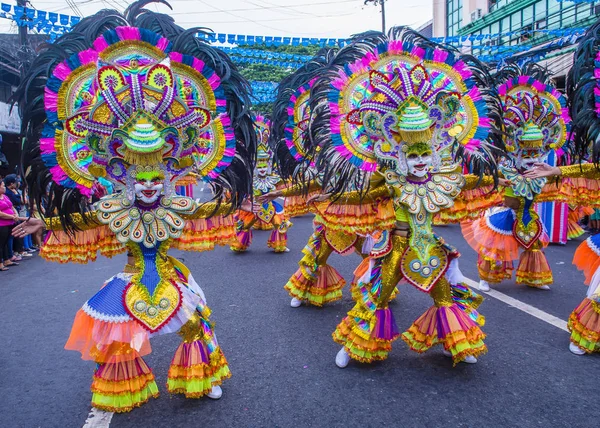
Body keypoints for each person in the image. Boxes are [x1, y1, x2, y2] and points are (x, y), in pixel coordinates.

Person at [14, 2, 256, 412]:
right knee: (115, 336)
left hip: (169, 275)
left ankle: (203, 376)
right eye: (138, 179)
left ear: (166, 172)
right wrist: (44, 221)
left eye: (153, 179)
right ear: (122, 175)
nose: (146, 187)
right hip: (131, 279)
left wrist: (236, 200)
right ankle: (118, 389)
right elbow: (87, 218)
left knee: (195, 325)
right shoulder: (115, 208)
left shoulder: (176, 204)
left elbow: (205, 212)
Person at [308, 27, 499, 367]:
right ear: (401, 155)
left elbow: (473, 183)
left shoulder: (442, 179)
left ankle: (459, 345)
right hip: (395, 250)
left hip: (430, 248)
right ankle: (352, 348)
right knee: (377, 299)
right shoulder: (393, 181)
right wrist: (329, 199)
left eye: (425, 153)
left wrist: (508, 177)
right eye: (414, 156)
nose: (421, 160)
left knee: (444, 297)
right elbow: (360, 196)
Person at [0, 180, 27, 270]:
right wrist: (11, 216)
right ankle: (1, 263)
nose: (4, 187)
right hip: (2, 224)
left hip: (10, 222)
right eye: (2, 186)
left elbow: (12, 206)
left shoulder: (5, 196)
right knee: (1, 244)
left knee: (6, 243)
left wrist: (15, 215)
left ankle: (7, 260)